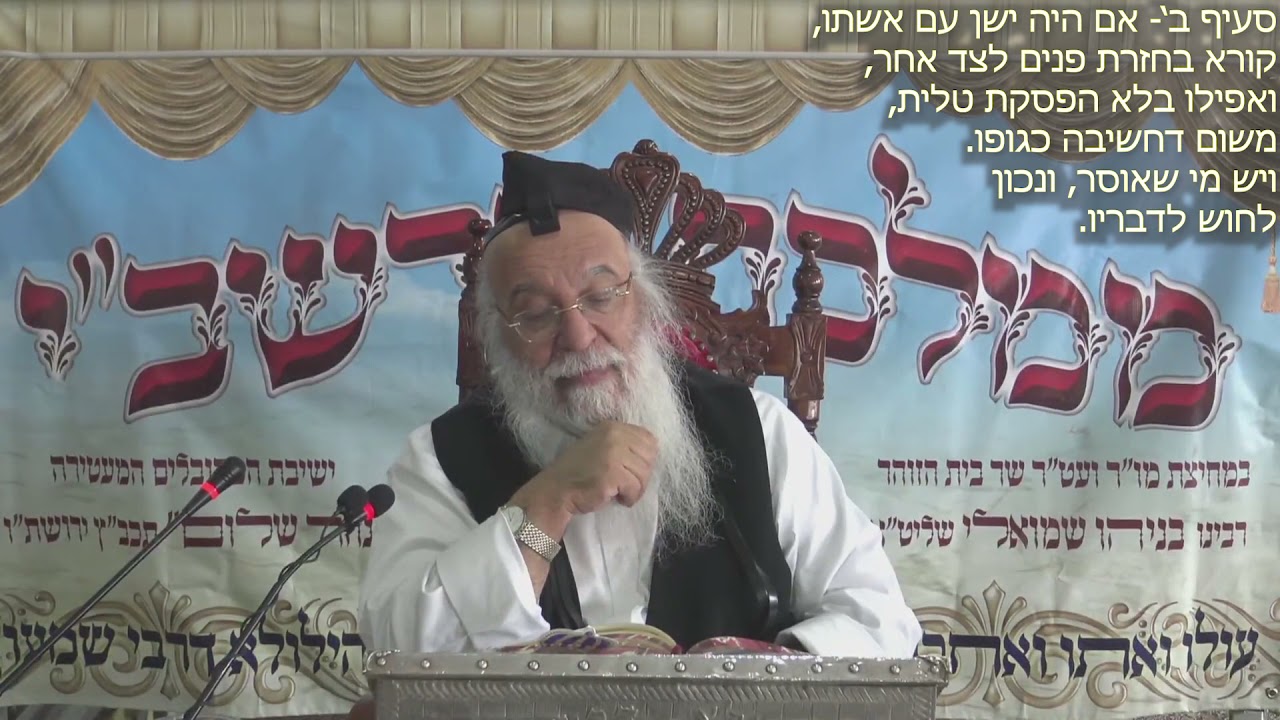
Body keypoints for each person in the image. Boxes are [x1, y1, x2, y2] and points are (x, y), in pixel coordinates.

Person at [357, 150, 922, 657]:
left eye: (601, 296)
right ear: (498, 334)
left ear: (645, 303)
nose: (578, 336)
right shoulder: (442, 456)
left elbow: (881, 620)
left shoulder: (759, 430)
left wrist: (765, 673)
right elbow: (397, 649)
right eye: (535, 313)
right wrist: (546, 504)